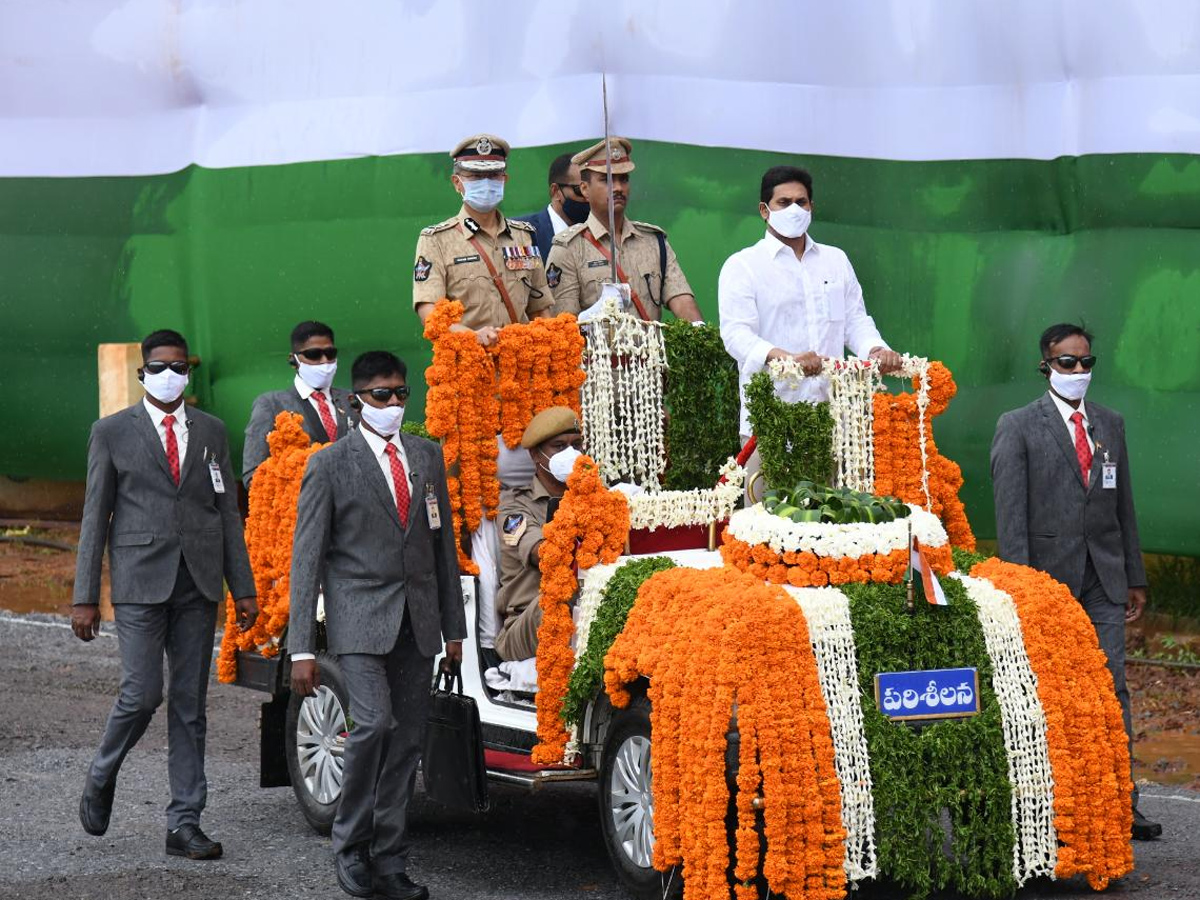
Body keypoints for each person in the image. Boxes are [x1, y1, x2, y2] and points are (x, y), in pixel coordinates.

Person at [71, 329, 257, 860]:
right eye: (160, 367)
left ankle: (184, 822)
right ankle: (102, 772)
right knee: (142, 692)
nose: (171, 375)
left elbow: (226, 512)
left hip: (198, 583)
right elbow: (94, 516)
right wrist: (86, 595)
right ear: (142, 373)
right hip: (138, 581)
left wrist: (241, 587)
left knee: (190, 705)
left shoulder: (213, 431)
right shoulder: (111, 433)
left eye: (179, 366)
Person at [288, 350, 465, 900]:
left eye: (399, 394)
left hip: (420, 619)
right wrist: (300, 649)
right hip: (358, 620)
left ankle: (390, 860)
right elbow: (307, 559)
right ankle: (350, 846)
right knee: (374, 724)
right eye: (380, 395)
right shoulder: (330, 464)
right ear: (354, 400)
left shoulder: (427, 457)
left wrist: (454, 630)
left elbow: (443, 546)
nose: (392, 404)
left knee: (408, 740)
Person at [991, 323, 1161, 841]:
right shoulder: (1018, 425)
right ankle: (1049, 806)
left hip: (1104, 579)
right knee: (1049, 692)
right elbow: (1009, 513)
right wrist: (1019, 586)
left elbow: (1123, 504)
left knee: (1112, 689)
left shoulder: (1110, 424)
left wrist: (1134, 574)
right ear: (1046, 366)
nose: (1079, 371)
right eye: (1068, 362)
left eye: (1087, 362)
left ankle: (1119, 803)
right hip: (1045, 582)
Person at [718, 164, 902, 445]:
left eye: (801, 202)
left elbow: (854, 320)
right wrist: (785, 359)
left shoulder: (835, 260)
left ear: (811, 207)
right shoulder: (743, 265)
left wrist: (875, 349)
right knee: (768, 491)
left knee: (835, 490)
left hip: (835, 417)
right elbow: (736, 335)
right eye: (784, 202)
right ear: (764, 210)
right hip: (771, 419)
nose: (794, 209)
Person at [412, 134, 554, 348]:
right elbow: (428, 312)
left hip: (520, 369)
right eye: (476, 176)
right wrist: (471, 336)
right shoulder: (437, 240)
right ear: (457, 183)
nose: (486, 183)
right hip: (468, 365)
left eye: (494, 174)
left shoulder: (523, 235)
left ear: (504, 180)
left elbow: (540, 308)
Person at [545, 138, 702, 322]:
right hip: (596, 351)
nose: (618, 188)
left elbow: (681, 299)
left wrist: (698, 329)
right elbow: (562, 327)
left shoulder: (653, 241)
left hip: (648, 350)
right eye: (607, 180)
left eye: (624, 179)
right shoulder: (568, 249)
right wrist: (593, 314)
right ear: (585, 189)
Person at [494, 406, 583, 662]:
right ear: (536, 455)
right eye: (559, 446)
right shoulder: (514, 507)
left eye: (576, 445)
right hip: (526, 623)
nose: (571, 454)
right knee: (561, 591)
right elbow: (542, 553)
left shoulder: (591, 497)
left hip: (582, 610)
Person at [242, 320, 353, 488]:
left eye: (330, 353)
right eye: (314, 354)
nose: (324, 361)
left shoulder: (351, 401)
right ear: (293, 360)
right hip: (301, 509)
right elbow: (253, 475)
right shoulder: (271, 404)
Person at [513, 152, 590, 260]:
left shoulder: (604, 232)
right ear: (555, 191)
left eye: (591, 190)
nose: (587, 196)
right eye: (580, 190)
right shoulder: (518, 234)